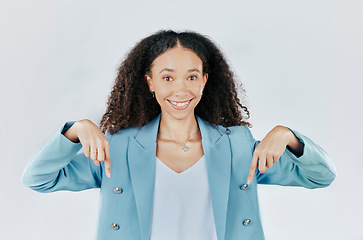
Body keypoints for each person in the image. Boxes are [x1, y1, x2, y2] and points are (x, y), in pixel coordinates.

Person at [22, 30, 336, 240]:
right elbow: (38, 179)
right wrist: (74, 132)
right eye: (167, 77)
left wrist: (288, 136)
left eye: (191, 76)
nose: (180, 89)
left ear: (204, 81)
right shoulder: (119, 149)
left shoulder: (237, 146)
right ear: (149, 82)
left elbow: (321, 176)